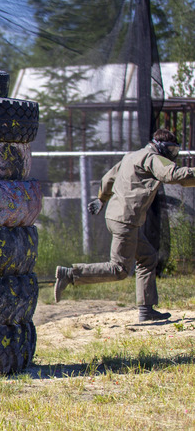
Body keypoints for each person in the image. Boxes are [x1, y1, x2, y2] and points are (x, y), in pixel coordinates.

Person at [54, 128, 195, 321]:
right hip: (126, 220)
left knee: (147, 258)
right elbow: (171, 174)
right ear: (161, 146)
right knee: (118, 269)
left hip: (118, 217)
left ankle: (146, 310)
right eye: (171, 152)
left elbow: (108, 178)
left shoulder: (132, 156)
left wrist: (101, 199)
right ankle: (70, 275)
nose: (172, 156)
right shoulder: (152, 157)